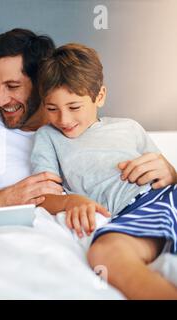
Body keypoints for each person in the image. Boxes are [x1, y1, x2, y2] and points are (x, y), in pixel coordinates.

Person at [0, 28, 177, 211]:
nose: (1, 99)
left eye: (13, 86)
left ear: (41, 83)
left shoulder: (118, 129)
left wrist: (171, 174)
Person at [31, 43, 177, 299]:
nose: (63, 119)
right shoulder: (47, 137)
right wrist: (71, 200)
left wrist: (172, 173)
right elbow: (42, 196)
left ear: (99, 96)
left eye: (74, 107)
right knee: (105, 253)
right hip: (135, 209)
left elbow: (166, 172)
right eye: (51, 108)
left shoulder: (129, 128)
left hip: (164, 194)